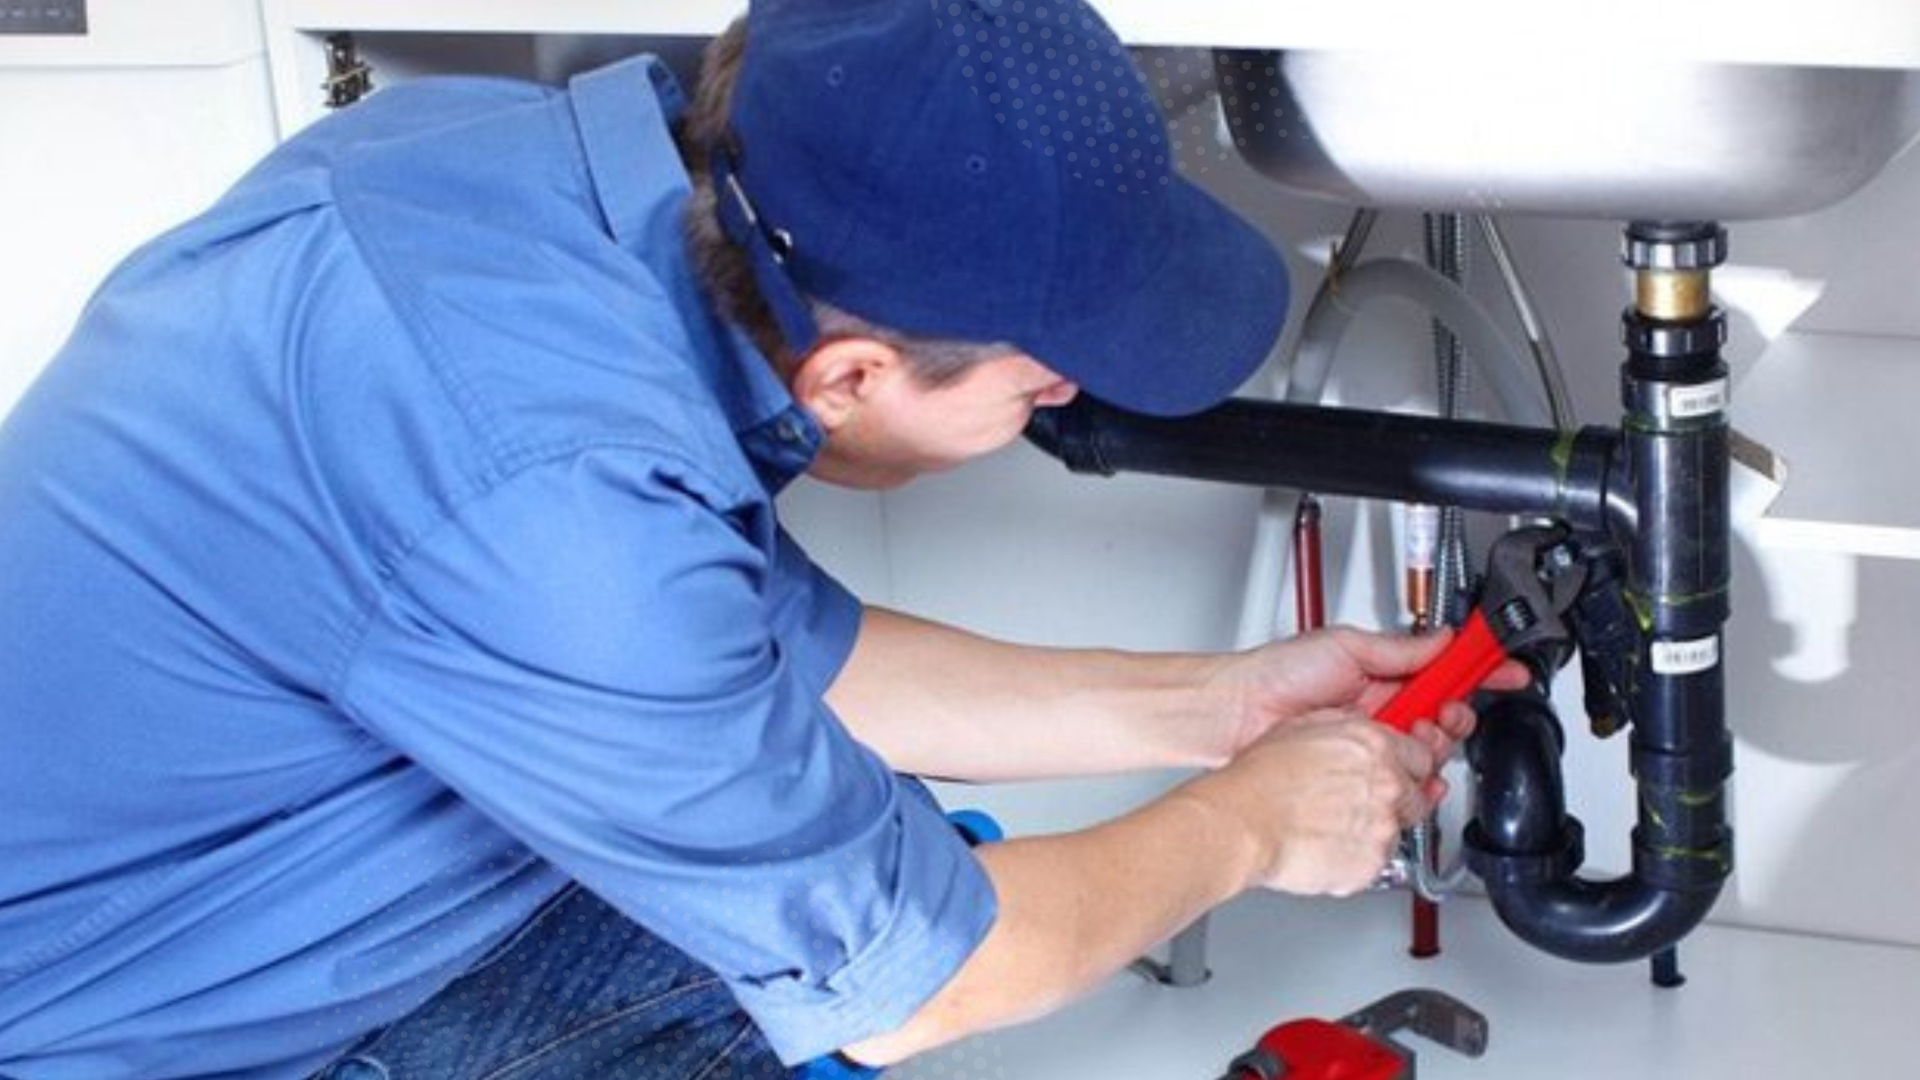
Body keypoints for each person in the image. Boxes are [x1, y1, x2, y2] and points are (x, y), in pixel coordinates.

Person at [0, 1, 1511, 1077]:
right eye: (1040, 382)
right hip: (161, 1033)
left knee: (879, 876)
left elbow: (765, 652)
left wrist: (1221, 705)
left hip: (274, 909)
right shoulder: (558, 499)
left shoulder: (507, 181)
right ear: (850, 376)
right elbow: (928, 985)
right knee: (916, 938)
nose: (1066, 400)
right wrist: (1251, 826)